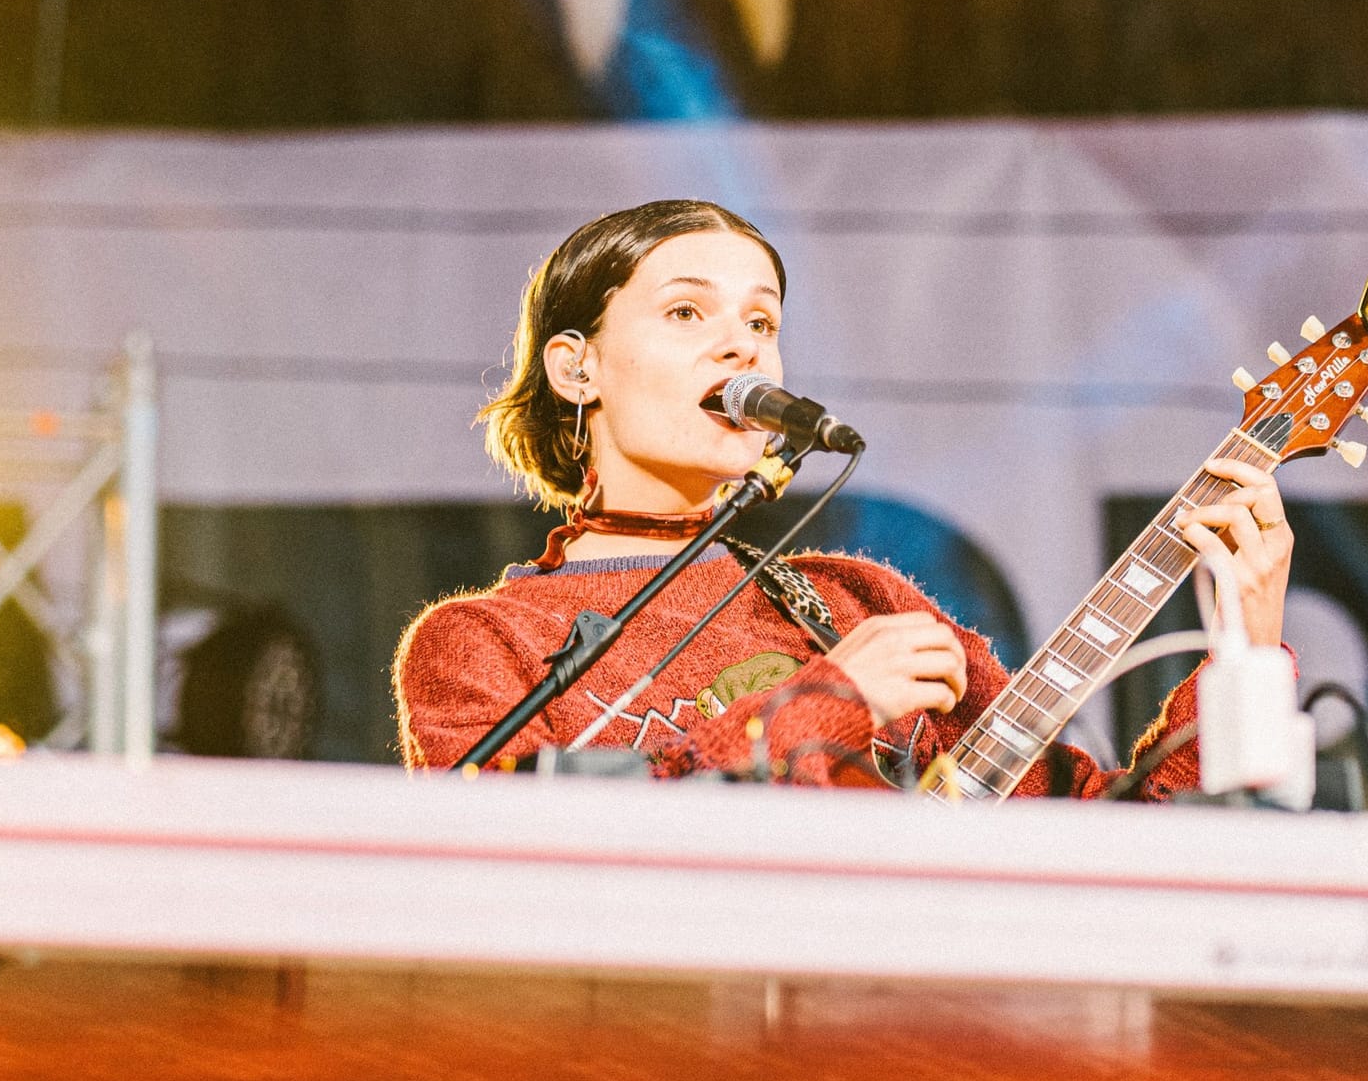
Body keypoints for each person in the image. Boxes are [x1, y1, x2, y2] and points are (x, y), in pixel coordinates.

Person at [395, 200, 1293, 793]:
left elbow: (1114, 851)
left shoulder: (859, 604)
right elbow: (521, 877)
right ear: (575, 365)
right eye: (685, 313)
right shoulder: (478, 646)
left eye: (761, 321)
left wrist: (1247, 648)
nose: (740, 347)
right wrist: (825, 701)